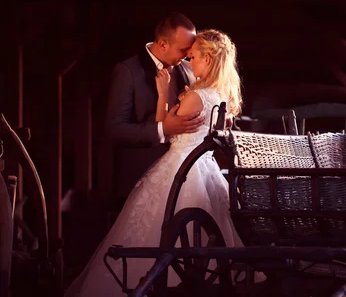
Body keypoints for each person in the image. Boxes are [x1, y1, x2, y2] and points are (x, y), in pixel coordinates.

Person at [65, 29, 245, 296]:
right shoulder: (220, 96)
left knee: (156, 226)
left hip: (180, 165)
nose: (188, 61)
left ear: (208, 60)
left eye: (193, 56)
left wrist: (163, 94)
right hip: (205, 168)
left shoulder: (197, 95)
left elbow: (168, 129)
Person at [105, 12, 203, 204]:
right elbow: (114, 130)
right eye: (184, 50)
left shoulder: (191, 70)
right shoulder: (127, 72)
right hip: (141, 178)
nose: (189, 55)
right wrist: (162, 129)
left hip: (184, 180)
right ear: (163, 44)